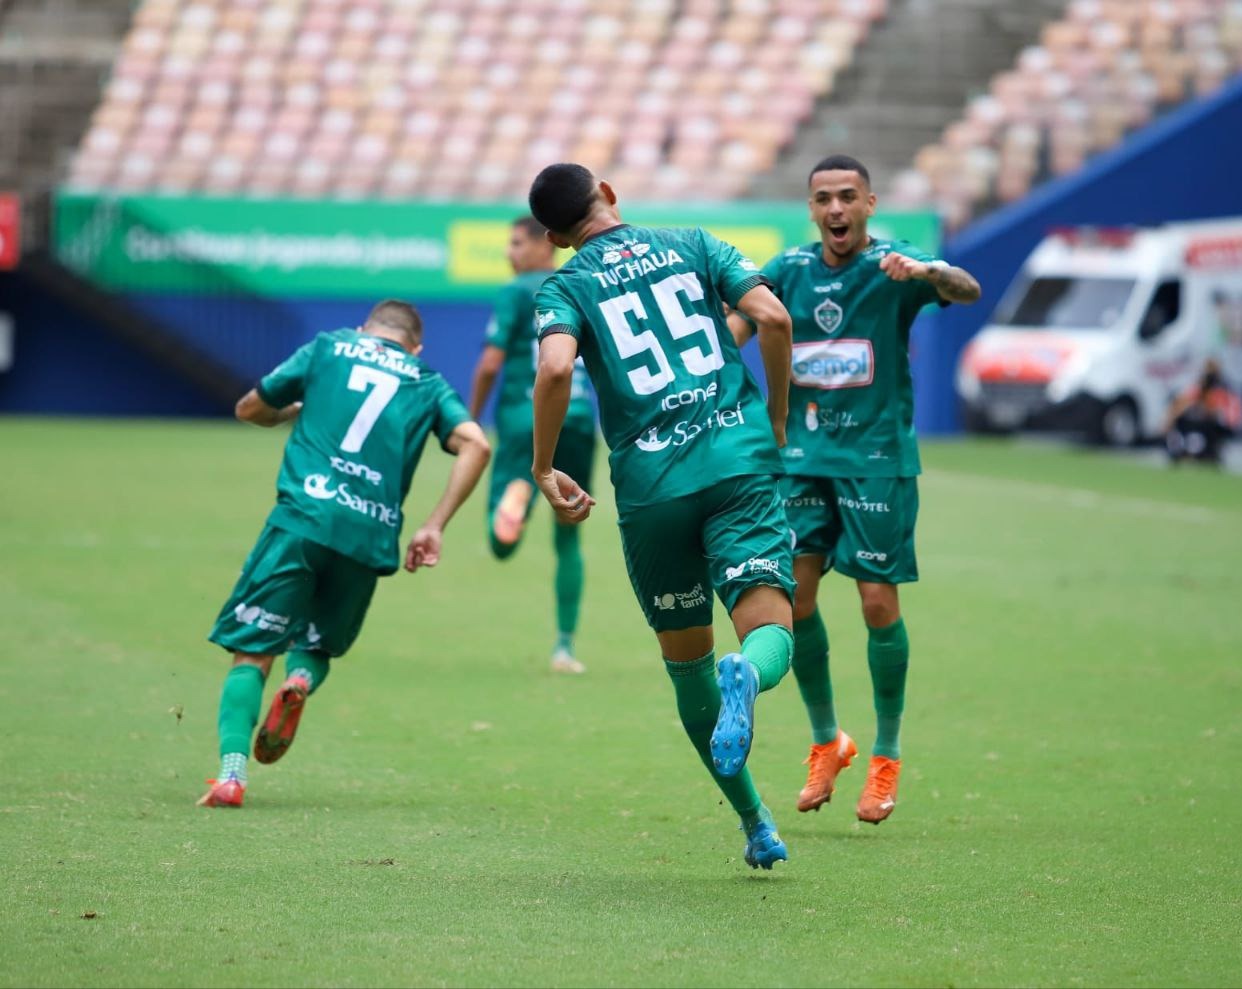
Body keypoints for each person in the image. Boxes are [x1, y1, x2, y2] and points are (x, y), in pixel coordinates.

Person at [526, 163, 798, 869]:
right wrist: (774, 418)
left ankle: (756, 822)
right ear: (609, 195)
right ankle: (754, 674)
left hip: (651, 489)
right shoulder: (693, 242)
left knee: (689, 670)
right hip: (738, 462)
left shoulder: (564, 285)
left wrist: (543, 465)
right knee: (769, 628)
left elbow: (554, 369)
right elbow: (771, 316)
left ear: (555, 238)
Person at [728, 154, 981, 826]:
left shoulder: (896, 266)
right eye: (823, 199)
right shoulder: (787, 270)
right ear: (811, 209)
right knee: (796, 596)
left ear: (869, 202)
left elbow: (966, 290)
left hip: (876, 458)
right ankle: (826, 740)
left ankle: (887, 754)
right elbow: (737, 328)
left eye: (847, 197)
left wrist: (928, 273)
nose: (835, 210)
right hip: (803, 458)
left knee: (875, 602)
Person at [198, 300, 491, 808]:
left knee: (253, 649)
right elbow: (477, 445)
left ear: (365, 330)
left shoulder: (329, 347)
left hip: (302, 522)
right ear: (415, 346)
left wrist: (292, 411)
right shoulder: (427, 380)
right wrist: (434, 525)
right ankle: (301, 679)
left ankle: (231, 775)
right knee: (317, 645)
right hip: (369, 534)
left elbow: (249, 408)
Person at [468, 216, 598, 675]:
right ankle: (564, 647)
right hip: (579, 418)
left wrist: (472, 419)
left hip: (526, 420)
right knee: (569, 534)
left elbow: (489, 363)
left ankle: (517, 500)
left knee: (500, 543)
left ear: (546, 245)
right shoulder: (581, 285)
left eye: (516, 243)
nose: (509, 252)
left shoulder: (517, 291)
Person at [1164, 358, 1242, 465]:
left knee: (1204, 425)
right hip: (1211, 420)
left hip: (1225, 423)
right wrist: (1171, 417)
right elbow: (1185, 400)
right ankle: (1184, 451)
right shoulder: (1203, 386)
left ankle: (1204, 453)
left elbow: (1219, 412)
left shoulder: (1223, 386)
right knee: (1186, 421)